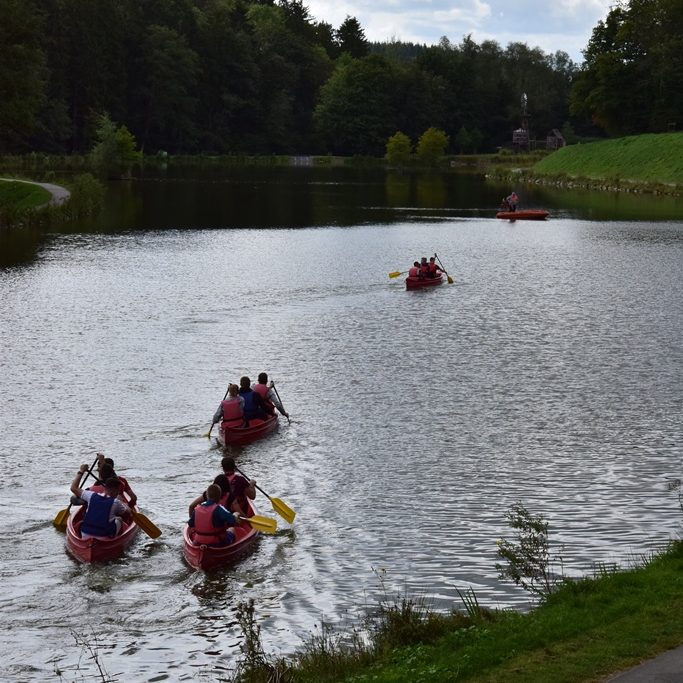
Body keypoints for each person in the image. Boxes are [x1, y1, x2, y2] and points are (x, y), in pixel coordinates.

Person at [70, 464, 132, 538]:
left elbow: (73, 488)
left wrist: (81, 471)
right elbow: (128, 513)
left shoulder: (91, 495)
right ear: (115, 491)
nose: (118, 493)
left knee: (82, 521)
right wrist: (123, 503)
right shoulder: (116, 502)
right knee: (119, 519)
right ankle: (117, 539)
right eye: (118, 491)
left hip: (85, 534)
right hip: (103, 536)